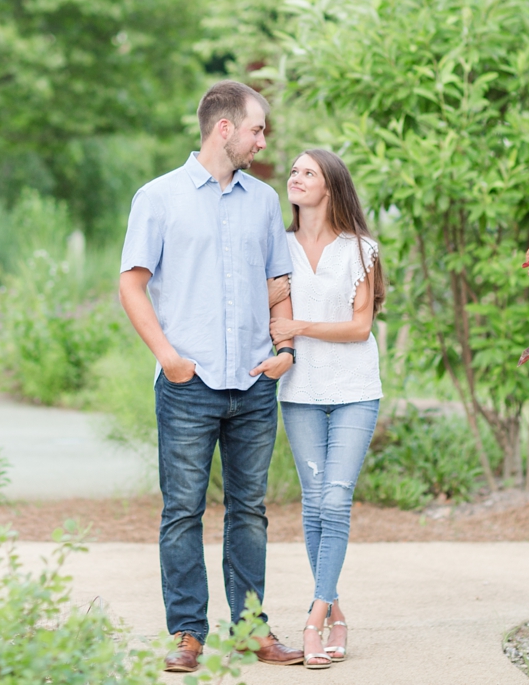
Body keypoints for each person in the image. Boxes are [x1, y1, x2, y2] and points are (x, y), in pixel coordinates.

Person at [119, 80, 305, 674]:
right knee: (182, 511)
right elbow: (131, 283)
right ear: (224, 128)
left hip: (253, 382)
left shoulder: (264, 200)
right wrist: (169, 356)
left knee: (249, 511)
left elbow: (280, 284)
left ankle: (250, 630)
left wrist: (285, 349)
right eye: (256, 128)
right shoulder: (158, 197)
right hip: (187, 384)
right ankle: (187, 634)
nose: (262, 139)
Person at [269, 148, 385, 670]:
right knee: (314, 505)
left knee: (335, 503)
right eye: (293, 171)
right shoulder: (280, 249)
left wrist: (301, 328)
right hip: (299, 392)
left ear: (330, 187)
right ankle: (336, 610)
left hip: (355, 388)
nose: (295, 178)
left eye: (307, 172)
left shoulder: (361, 249)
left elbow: (360, 328)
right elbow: (273, 319)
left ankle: (313, 620)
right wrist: (287, 334)